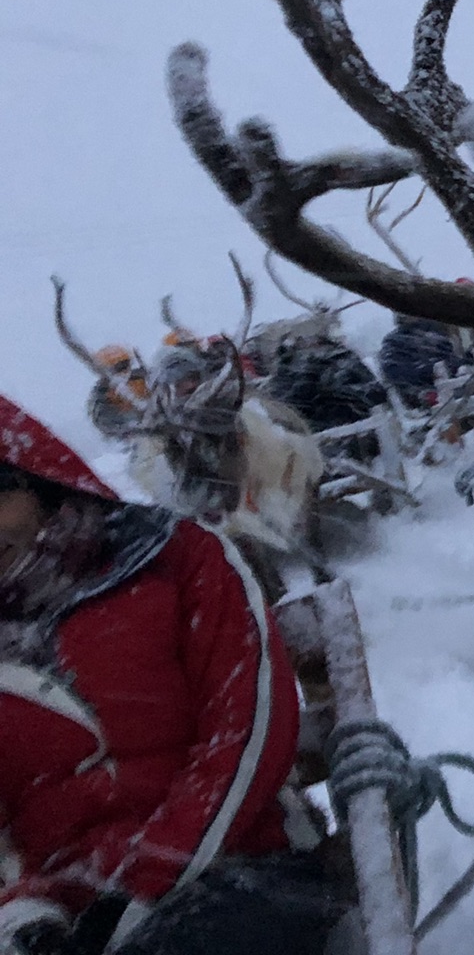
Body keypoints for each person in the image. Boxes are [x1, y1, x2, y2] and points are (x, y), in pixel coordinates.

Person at [0, 395, 341, 955]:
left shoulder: (177, 560)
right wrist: (27, 917)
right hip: (65, 918)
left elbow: (245, 731)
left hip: (235, 864)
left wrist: (146, 878)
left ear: (42, 484)